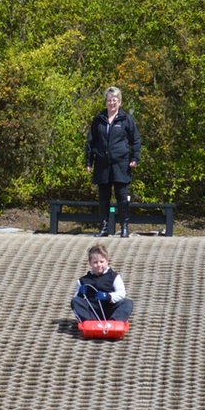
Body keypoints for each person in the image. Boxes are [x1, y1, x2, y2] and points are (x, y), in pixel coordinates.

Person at [85, 86, 141, 238]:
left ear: (120, 102)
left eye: (114, 100)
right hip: (102, 163)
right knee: (103, 197)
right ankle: (104, 228)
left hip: (120, 163)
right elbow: (91, 141)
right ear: (106, 102)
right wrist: (88, 162)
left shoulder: (126, 119)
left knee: (122, 197)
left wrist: (135, 158)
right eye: (109, 100)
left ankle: (124, 227)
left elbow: (135, 140)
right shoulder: (98, 119)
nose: (112, 103)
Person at [71, 244, 133, 322]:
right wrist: (80, 294)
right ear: (90, 263)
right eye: (95, 262)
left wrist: (108, 297)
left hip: (109, 309)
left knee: (128, 302)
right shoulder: (83, 280)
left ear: (107, 261)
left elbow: (121, 293)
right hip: (92, 311)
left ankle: (114, 322)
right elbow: (76, 298)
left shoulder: (114, 277)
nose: (99, 265)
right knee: (75, 301)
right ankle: (90, 322)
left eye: (101, 261)